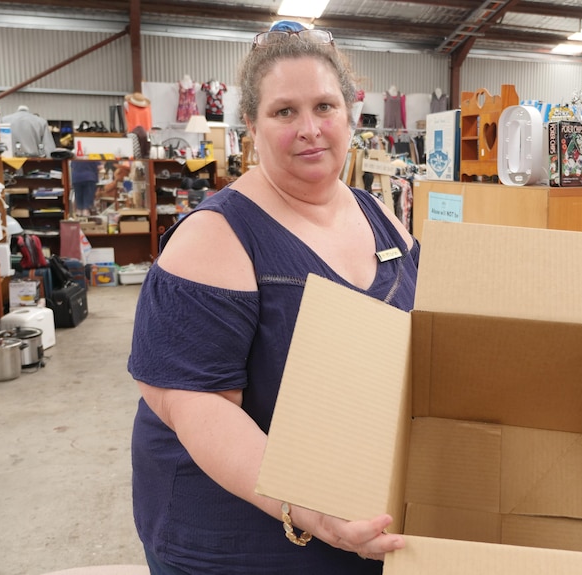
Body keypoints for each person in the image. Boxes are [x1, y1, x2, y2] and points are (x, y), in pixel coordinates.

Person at [127, 19, 417, 575]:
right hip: (235, 538)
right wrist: (314, 511)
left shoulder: (379, 215)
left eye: (325, 107)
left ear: (350, 115)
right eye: (285, 112)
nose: (309, 128)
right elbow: (196, 404)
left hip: (356, 511)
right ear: (251, 127)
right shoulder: (215, 236)